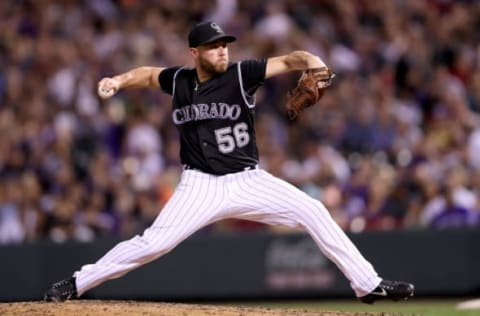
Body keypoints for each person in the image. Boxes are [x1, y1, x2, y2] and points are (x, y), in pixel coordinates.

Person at [44, 21, 414, 304]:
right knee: (153, 243)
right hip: (199, 185)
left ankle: (368, 285)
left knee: (313, 209)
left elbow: (290, 59)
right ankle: (77, 283)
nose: (222, 51)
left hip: (248, 179)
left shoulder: (241, 74)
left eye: (224, 45)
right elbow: (145, 74)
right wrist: (118, 80)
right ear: (194, 52)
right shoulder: (180, 80)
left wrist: (313, 61)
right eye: (213, 47)